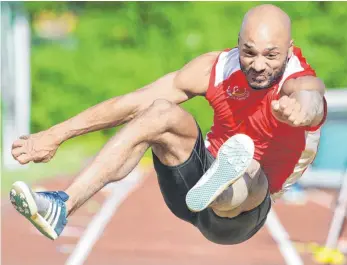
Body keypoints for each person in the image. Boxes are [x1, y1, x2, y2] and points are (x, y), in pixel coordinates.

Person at [9, 4, 327, 244]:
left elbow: (310, 98)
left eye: (271, 56)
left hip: (240, 216)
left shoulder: (299, 82)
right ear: (237, 43)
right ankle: (63, 204)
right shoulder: (216, 68)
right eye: (249, 53)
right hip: (190, 183)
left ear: (289, 49)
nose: (258, 65)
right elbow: (132, 103)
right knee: (159, 111)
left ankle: (222, 187)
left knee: (252, 173)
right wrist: (55, 134)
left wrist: (301, 111)